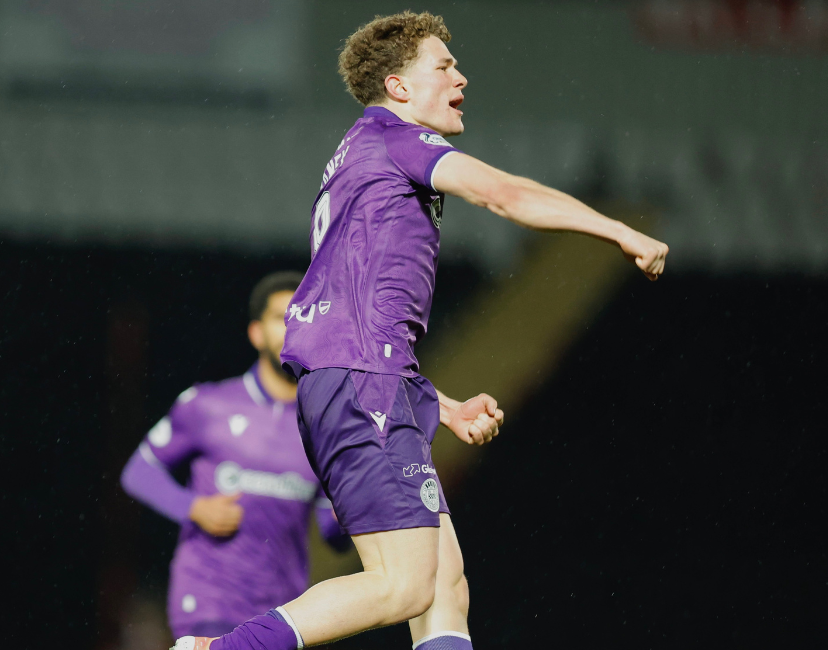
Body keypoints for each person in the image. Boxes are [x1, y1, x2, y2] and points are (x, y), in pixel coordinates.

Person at [177, 11, 668, 650]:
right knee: (401, 587)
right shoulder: (394, 139)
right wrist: (618, 230)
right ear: (399, 87)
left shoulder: (358, 154)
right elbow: (502, 193)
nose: (460, 78)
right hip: (362, 387)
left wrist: (443, 405)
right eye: (444, 66)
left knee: (443, 586)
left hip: (367, 382)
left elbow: (353, 317)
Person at [122, 271, 350, 640]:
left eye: (303, 317)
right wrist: (193, 507)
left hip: (283, 614)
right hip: (208, 601)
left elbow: (331, 533)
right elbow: (139, 472)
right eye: (281, 318)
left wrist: (349, 514)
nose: (294, 327)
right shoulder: (208, 404)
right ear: (256, 333)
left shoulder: (325, 427)